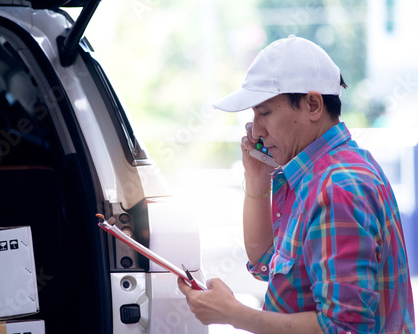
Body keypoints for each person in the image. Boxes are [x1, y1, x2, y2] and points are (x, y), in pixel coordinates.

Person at [177, 35, 415, 333]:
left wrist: (234, 314)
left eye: (265, 112)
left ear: (313, 105)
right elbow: (265, 259)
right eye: (253, 115)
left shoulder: (338, 187)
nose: (256, 130)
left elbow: (342, 328)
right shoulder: (312, 173)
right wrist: (256, 176)